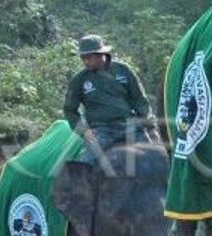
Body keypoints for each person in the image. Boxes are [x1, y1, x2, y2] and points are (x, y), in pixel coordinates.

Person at [63, 35, 158, 167]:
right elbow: (69, 110)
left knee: (154, 160)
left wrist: (150, 127)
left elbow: (139, 100)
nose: (85, 62)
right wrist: (84, 130)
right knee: (86, 164)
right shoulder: (80, 80)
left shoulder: (123, 70)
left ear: (101, 54)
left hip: (129, 126)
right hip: (101, 130)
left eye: (88, 57)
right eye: (82, 58)